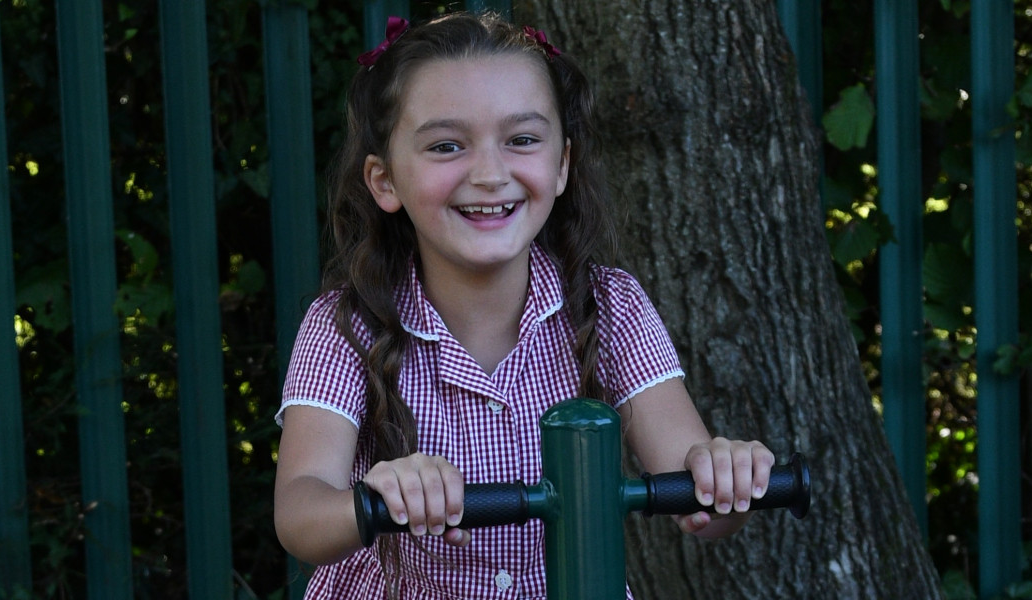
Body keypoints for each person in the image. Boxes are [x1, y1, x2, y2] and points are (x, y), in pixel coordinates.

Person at [273, 12, 778, 599]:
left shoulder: (610, 305)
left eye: (521, 140)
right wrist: (380, 497)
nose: (490, 174)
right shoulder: (347, 324)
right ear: (384, 181)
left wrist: (725, 479)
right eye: (446, 146)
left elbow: (701, 504)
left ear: (561, 165)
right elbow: (300, 515)